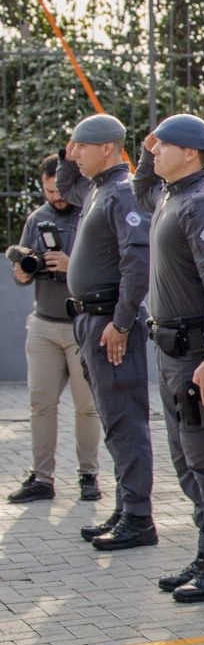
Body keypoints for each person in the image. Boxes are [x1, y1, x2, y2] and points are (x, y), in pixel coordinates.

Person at [132, 114, 204, 603]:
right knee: (186, 460)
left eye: (163, 145)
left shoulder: (202, 205)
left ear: (190, 153)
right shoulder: (169, 196)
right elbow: (141, 188)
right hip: (170, 352)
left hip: (197, 354)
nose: (155, 150)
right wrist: (146, 153)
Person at [62, 113, 157, 551]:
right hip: (93, 321)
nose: (73, 153)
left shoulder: (122, 192)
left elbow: (137, 264)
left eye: (81, 146)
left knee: (125, 420)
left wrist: (121, 322)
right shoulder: (96, 188)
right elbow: (66, 185)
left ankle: (138, 517)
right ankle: (126, 506)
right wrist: (69, 153)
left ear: (107, 148)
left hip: (110, 323)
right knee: (113, 420)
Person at [7, 153, 99, 504]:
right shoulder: (37, 219)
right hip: (43, 325)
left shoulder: (90, 214)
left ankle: (89, 475)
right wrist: (22, 272)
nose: (56, 196)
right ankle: (42, 477)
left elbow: (105, 269)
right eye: (49, 191)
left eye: (59, 190)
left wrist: (69, 264)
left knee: (86, 407)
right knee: (40, 405)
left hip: (81, 326)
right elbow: (23, 270)